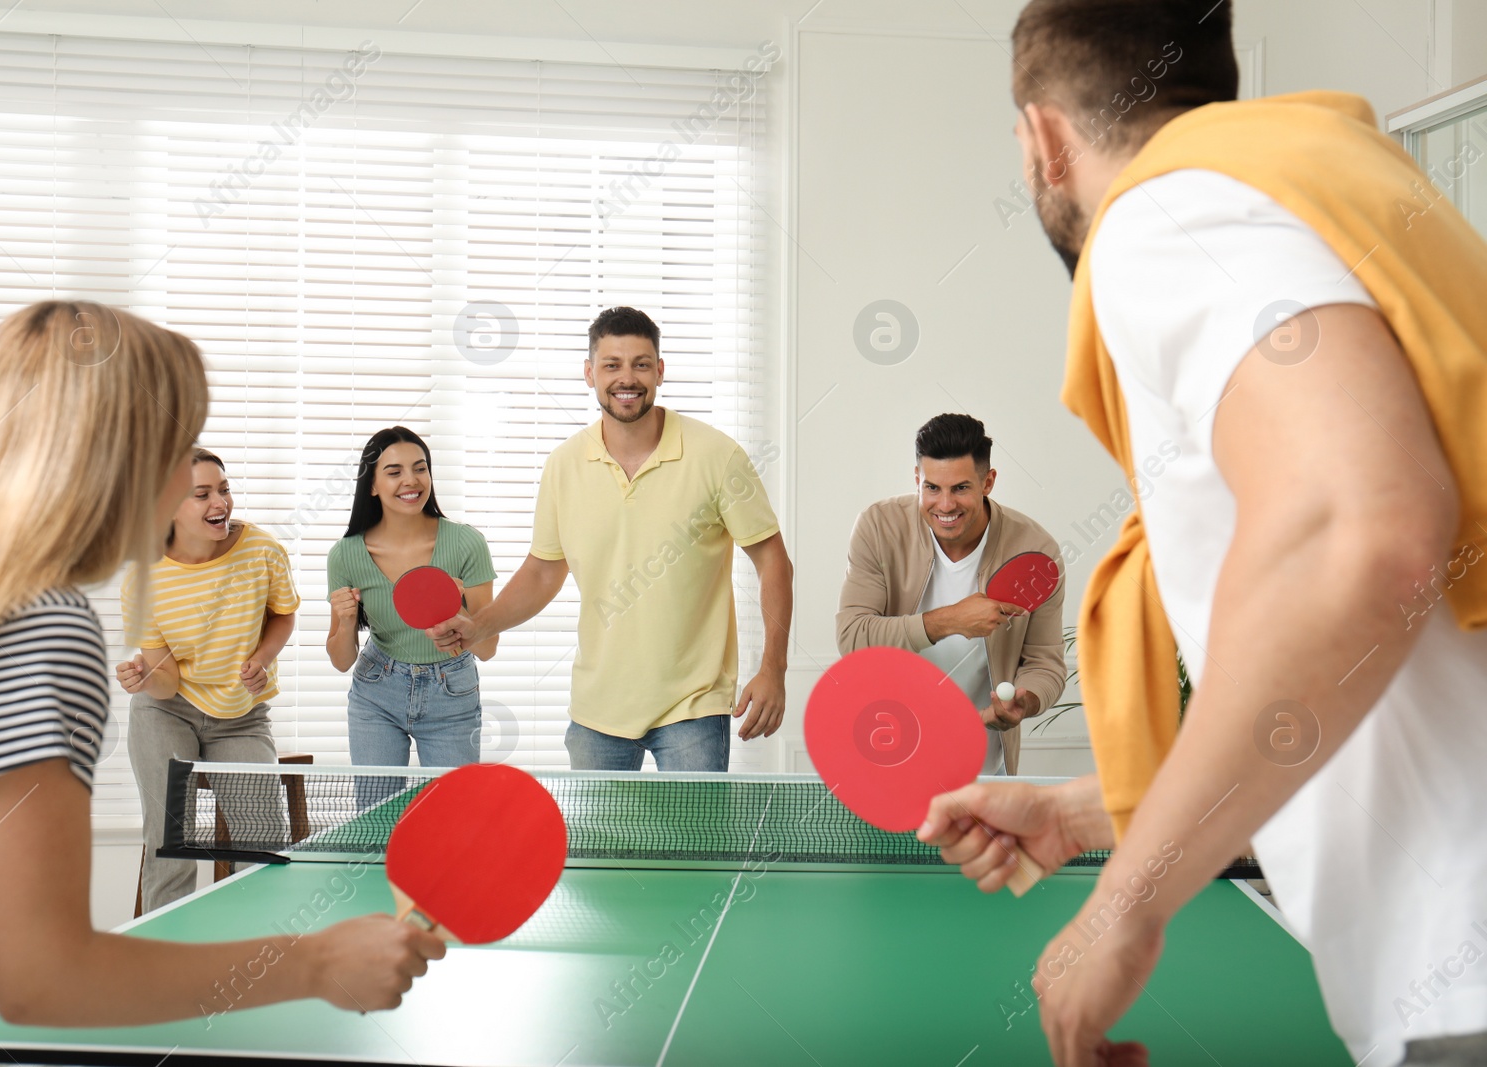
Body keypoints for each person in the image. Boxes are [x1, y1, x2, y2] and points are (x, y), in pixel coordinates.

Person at [917, 4, 1487, 1066]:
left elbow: (1363, 533)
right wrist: (1098, 810)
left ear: (1043, 138)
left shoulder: (1169, 219)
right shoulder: (1301, 199)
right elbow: (1373, 677)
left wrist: (1122, 906)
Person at [0, 301, 441, 1022]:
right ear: (118, 456)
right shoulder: (41, 624)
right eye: (179, 447)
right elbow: (43, 977)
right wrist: (318, 960)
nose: (194, 480)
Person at [427, 307, 793, 771]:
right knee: (601, 846)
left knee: (695, 845)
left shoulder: (717, 456)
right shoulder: (564, 464)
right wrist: (480, 626)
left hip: (694, 707)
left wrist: (773, 670)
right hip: (597, 712)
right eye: (612, 364)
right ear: (589, 373)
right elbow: (542, 573)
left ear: (660, 371)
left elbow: (773, 561)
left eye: (641, 363)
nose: (628, 378)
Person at [118, 447, 298, 912]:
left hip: (241, 716)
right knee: (170, 838)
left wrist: (262, 657)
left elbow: (282, 615)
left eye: (224, 489)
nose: (220, 503)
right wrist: (145, 676)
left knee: (262, 845)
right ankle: (164, 959)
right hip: (167, 710)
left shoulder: (262, 550)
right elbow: (167, 683)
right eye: (202, 494)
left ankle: (255, 954)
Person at [837, 413, 1065, 773]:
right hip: (885, 753)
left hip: (982, 764)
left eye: (960, 488)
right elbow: (853, 638)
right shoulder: (878, 527)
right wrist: (948, 621)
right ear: (917, 479)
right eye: (932, 488)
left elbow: (1044, 661)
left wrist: (1027, 700)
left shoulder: (1035, 550)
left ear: (987, 482)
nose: (945, 505)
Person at [326, 427, 497, 768]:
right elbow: (341, 659)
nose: (411, 480)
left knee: (453, 812)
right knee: (376, 815)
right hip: (377, 690)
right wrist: (346, 620)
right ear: (372, 485)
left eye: (420, 468)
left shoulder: (467, 544)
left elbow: (487, 649)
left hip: (451, 692)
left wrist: (458, 609)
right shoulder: (345, 555)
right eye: (394, 472)